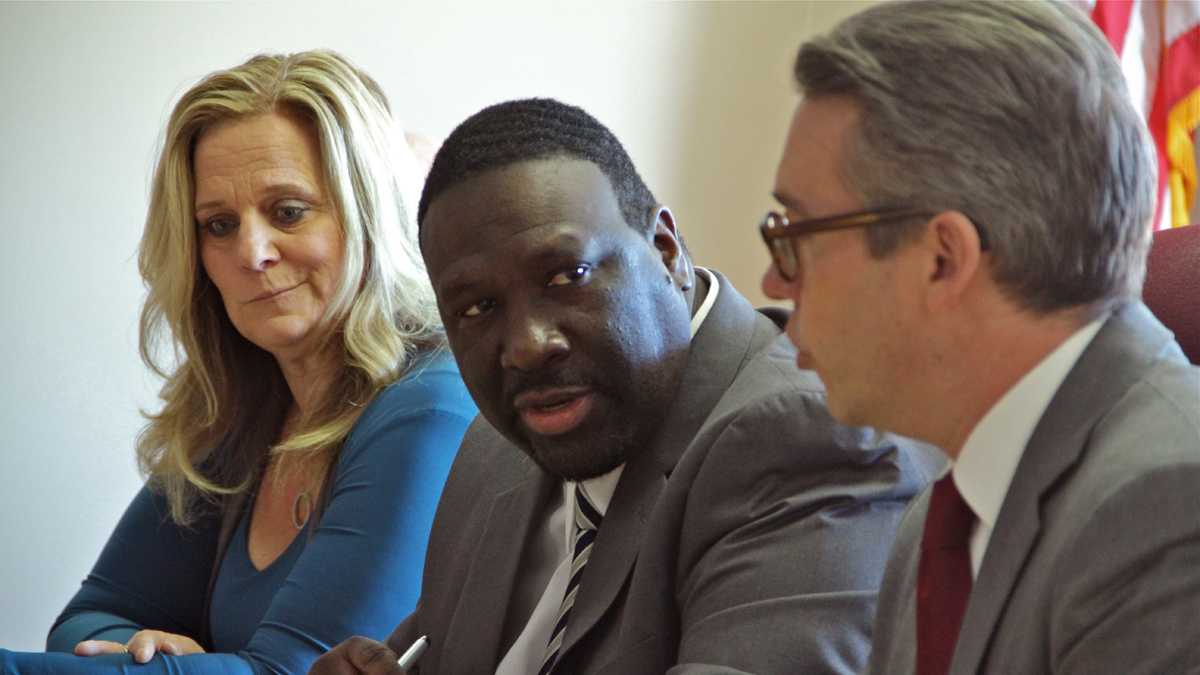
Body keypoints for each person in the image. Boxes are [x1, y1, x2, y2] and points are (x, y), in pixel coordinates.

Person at [311, 97, 942, 675]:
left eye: (568, 274)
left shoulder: (809, 439)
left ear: (667, 251)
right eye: (476, 309)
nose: (529, 346)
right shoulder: (494, 449)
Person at [0, 50, 476, 674]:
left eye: (288, 212)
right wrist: (143, 652)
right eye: (219, 224)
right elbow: (90, 616)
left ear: (366, 215)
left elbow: (291, 673)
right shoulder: (245, 410)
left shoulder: (429, 406)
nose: (251, 252)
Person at [759, 2, 1200, 673]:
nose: (771, 280)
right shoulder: (938, 520)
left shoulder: (1168, 506)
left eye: (796, 234)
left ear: (941, 258)